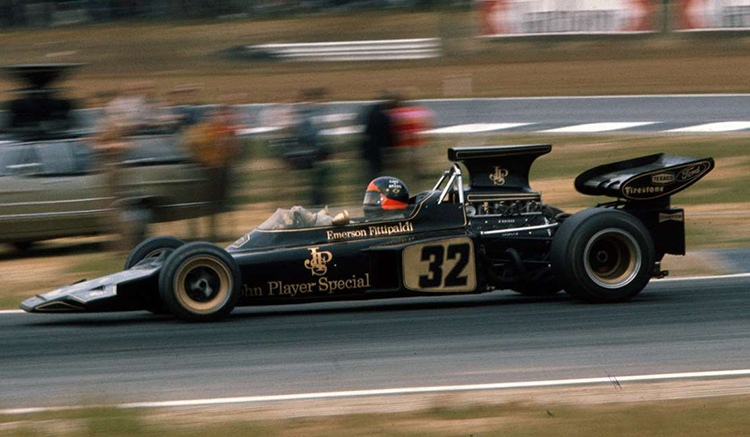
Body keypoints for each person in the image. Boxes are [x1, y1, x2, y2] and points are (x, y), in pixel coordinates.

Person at [359, 93, 399, 184]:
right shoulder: (384, 116)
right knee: (377, 170)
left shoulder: (371, 113)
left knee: (371, 170)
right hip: (378, 148)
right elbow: (388, 135)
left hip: (369, 147)